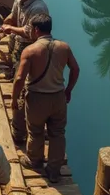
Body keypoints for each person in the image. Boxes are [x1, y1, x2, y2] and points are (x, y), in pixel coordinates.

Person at [13, 14, 80, 182]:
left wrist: (14, 99)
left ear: (36, 30)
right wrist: (69, 89)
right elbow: (75, 69)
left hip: (37, 97)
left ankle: (34, 161)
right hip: (58, 97)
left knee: (35, 131)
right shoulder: (64, 47)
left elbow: (20, 78)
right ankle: (54, 170)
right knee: (57, 133)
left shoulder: (30, 51)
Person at [0, 0, 49, 145]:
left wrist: (10, 28)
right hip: (17, 42)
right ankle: (13, 74)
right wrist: (5, 24)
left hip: (28, 46)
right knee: (14, 64)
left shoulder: (38, 8)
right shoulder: (20, 0)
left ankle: (19, 128)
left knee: (22, 83)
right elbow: (13, 17)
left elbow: (29, 32)